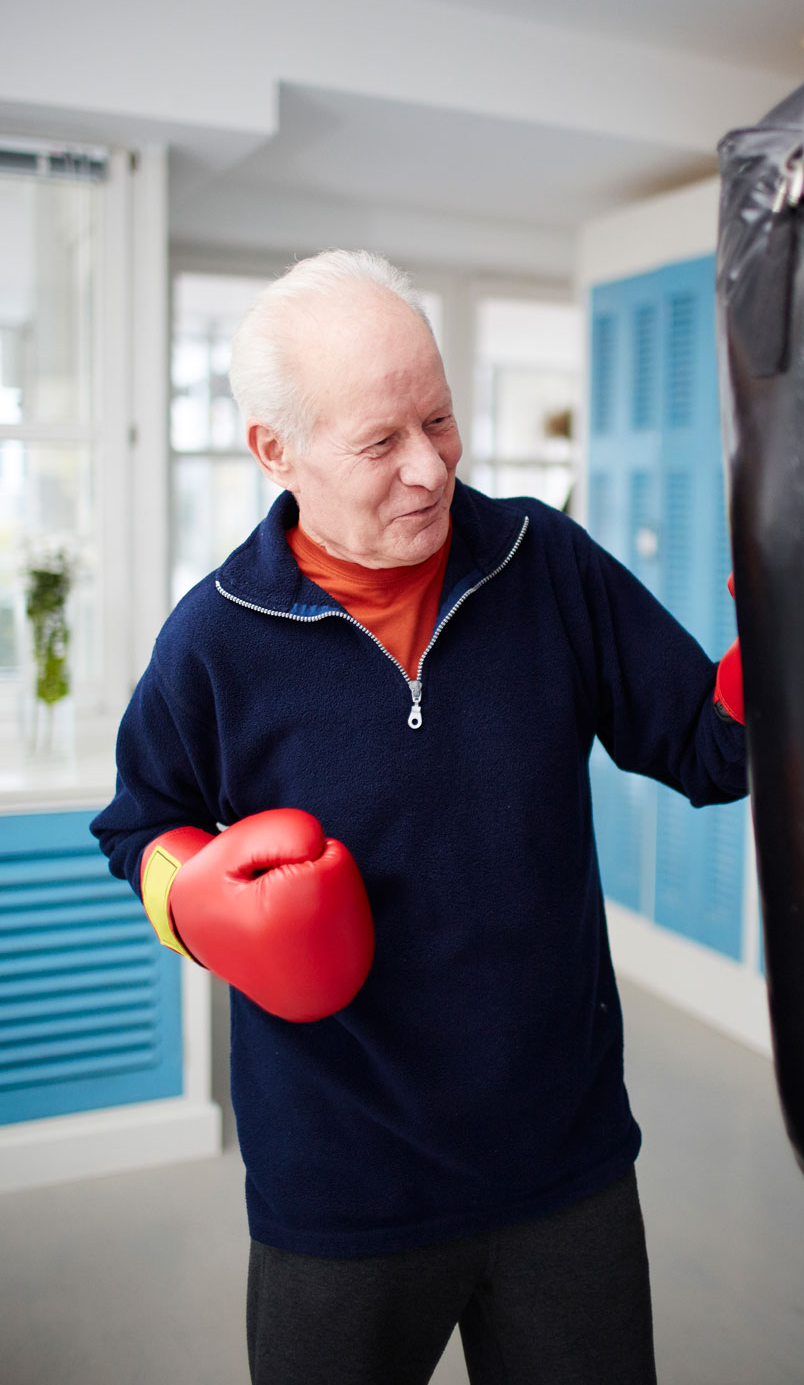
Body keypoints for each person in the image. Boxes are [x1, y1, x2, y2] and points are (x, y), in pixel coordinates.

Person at [92, 248, 747, 1385]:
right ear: (275, 452)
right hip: (339, 1185)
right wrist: (192, 899)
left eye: (438, 419)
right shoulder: (215, 638)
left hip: (565, 1163)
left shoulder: (548, 566)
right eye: (379, 442)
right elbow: (139, 818)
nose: (430, 469)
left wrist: (802, 622)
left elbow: (708, 745)